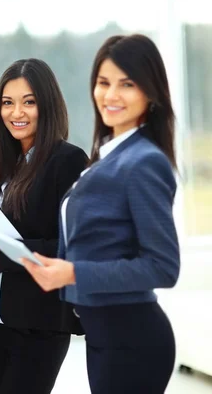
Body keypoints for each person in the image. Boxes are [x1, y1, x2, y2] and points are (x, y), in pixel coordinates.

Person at [22, 34, 180, 394]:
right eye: (104, 82)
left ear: (151, 92)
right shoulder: (109, 154)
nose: (110, 95)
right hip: (104, 335)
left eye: (127, 84)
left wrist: (73, 273)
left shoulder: (144, 161)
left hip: (132, 337)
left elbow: (163, 267)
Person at [0, 59, 88, 393]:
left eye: (28, 101)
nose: (17, 112)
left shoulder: (68, 160)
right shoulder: (12, 165)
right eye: (7, 102)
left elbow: (73, 248)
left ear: (48, 105)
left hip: (39, 322)